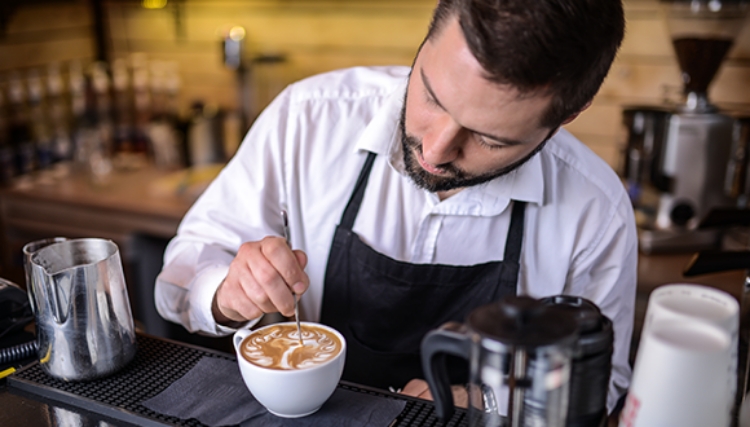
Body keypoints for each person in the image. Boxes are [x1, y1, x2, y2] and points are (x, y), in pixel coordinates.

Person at [155, 0, 635, 413]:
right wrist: (228, 293)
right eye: (431, 95)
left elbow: (599, 385)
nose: (436, 149)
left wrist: (484, 400)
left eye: (488, 138)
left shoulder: (595, 210)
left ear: (564, 118)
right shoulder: (307, 118)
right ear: (427, 40)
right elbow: (180, 280)